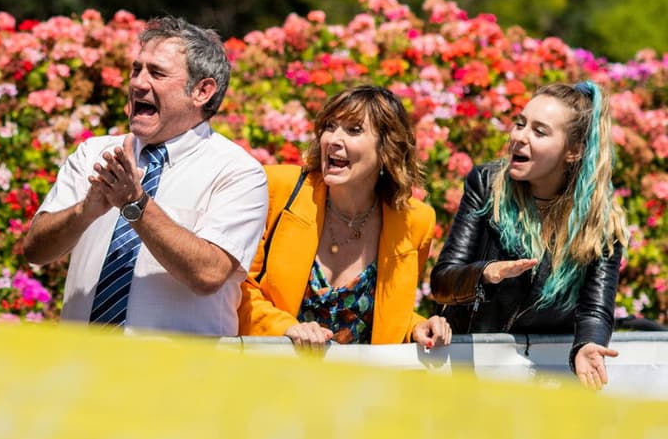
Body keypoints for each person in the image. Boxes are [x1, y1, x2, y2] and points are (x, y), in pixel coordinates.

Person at [21, 16, 268, 335]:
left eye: (157, 73)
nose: (138, 83)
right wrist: (85, 212)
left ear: (202, 91)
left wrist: (136, 205)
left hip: (174, 379)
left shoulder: (238, 172)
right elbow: (36, 251)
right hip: (81, 370)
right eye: (136, 69)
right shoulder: (93, 154)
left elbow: (209, 274)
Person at [431, 82, 629, 390]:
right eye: (520, 124)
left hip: (542, 381)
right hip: (469, 370)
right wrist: (484, 273)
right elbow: (441, 282)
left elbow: (594, 309)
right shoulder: (486, 185)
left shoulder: (601, 221)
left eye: (539, 131)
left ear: (573, 151)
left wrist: (588, 344)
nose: (519, 137)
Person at [240, 86, 451, 348]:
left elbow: (391, 313)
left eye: (353, 130)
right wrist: (286, 329)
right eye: (330, 126)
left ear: (387, 147)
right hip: (269, 378)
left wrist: (417, 327)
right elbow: (238, 288)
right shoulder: (278, 189)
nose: (333, 139)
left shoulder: (415, 222)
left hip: (357, 386)